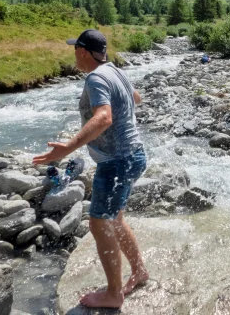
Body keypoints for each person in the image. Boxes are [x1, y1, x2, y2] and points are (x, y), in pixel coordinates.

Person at [33, 29, 148, 309]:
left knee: (99, 222)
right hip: (134, 155)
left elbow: (105, 117)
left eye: (75, 50)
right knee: (115, 219)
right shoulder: (114, 70)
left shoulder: (96, 77)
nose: (74, 54)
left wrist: (67, 148)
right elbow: (136, 98)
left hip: (116, 162)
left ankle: (113, 293)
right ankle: (140, 271)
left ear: (83, 51)